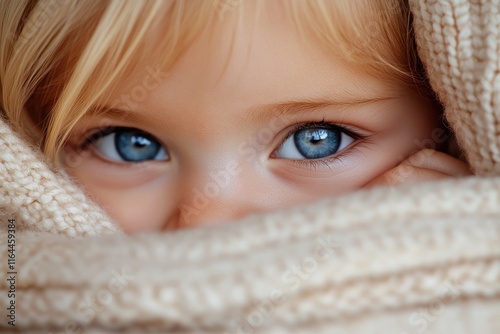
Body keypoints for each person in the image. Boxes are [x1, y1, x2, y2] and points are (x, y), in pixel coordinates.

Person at [0, 0, 471, 233]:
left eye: (316, 139)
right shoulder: (24, 287)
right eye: (129, 143)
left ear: (448, 125)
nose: (207, 222)